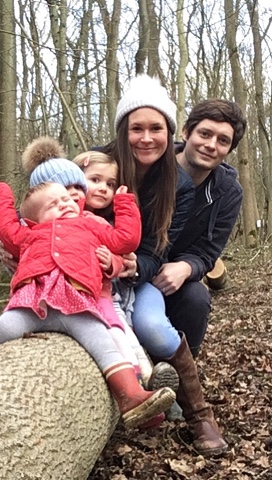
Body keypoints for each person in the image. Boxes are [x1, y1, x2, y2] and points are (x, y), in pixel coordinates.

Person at [96, 76, 237, 457]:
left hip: (137, 276)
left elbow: (159, 248)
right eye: (136, 128)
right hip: (87, 277)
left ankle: (198, 414)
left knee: (156, 327)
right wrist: (1, 244)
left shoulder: (179, 185)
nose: (146, 138)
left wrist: (135, 267)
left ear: (169, 132)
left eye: (156, 128)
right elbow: (49, 204)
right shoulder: (98, 164)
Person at [0, 179, 176, 428]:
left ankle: (131, 396)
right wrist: (1, 193)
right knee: (4, 327)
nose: (63, 205)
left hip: (78, 304)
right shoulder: (27, 235)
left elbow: (126, 240)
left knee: (105, 345)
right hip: (33, 303)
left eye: (66, 199)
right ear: (33, 220)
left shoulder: (91, 226)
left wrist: (124, 204)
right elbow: (5, 226)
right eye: (52, 205)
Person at [152, 99, 246, 358]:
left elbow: (208, 251)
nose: (211, 145)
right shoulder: (153, 163)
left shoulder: (228, 192)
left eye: (223, 141)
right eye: (205, 134)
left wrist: (186, 267)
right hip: (132, 264)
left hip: (172, 276)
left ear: (228, 150)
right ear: (186, 132)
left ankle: (181, 372)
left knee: (196, 298)